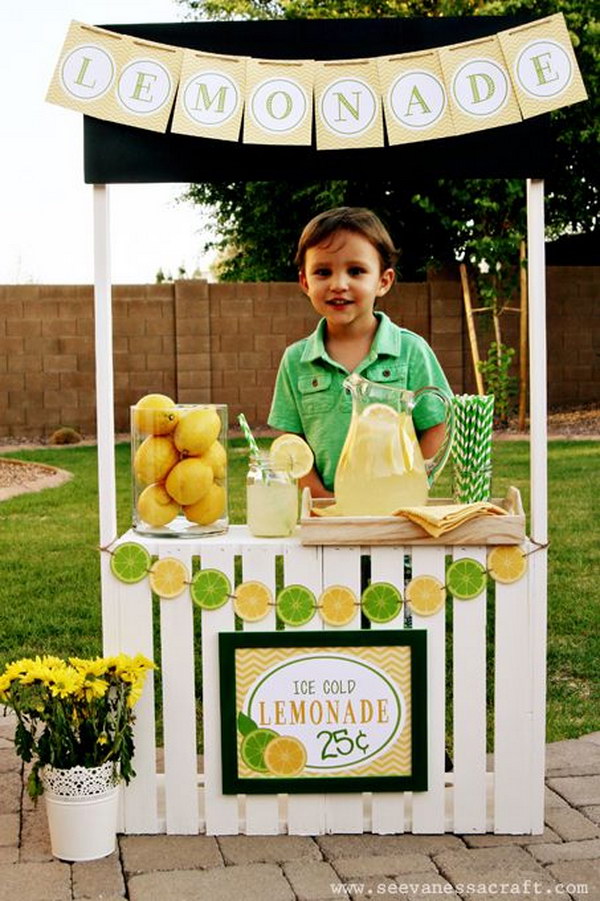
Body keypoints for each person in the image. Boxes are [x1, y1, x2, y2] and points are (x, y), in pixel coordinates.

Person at [268, 206, 452, 498]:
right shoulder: (295, 360)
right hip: (323, 513)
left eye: (356, 271)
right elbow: (291, 440)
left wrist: (416, 479)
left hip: (396, 511)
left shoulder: (411, 351)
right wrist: (316, 494)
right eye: (323, 272)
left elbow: (439, 424)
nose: (338, 285)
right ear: (305, 281)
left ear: (383, 281)